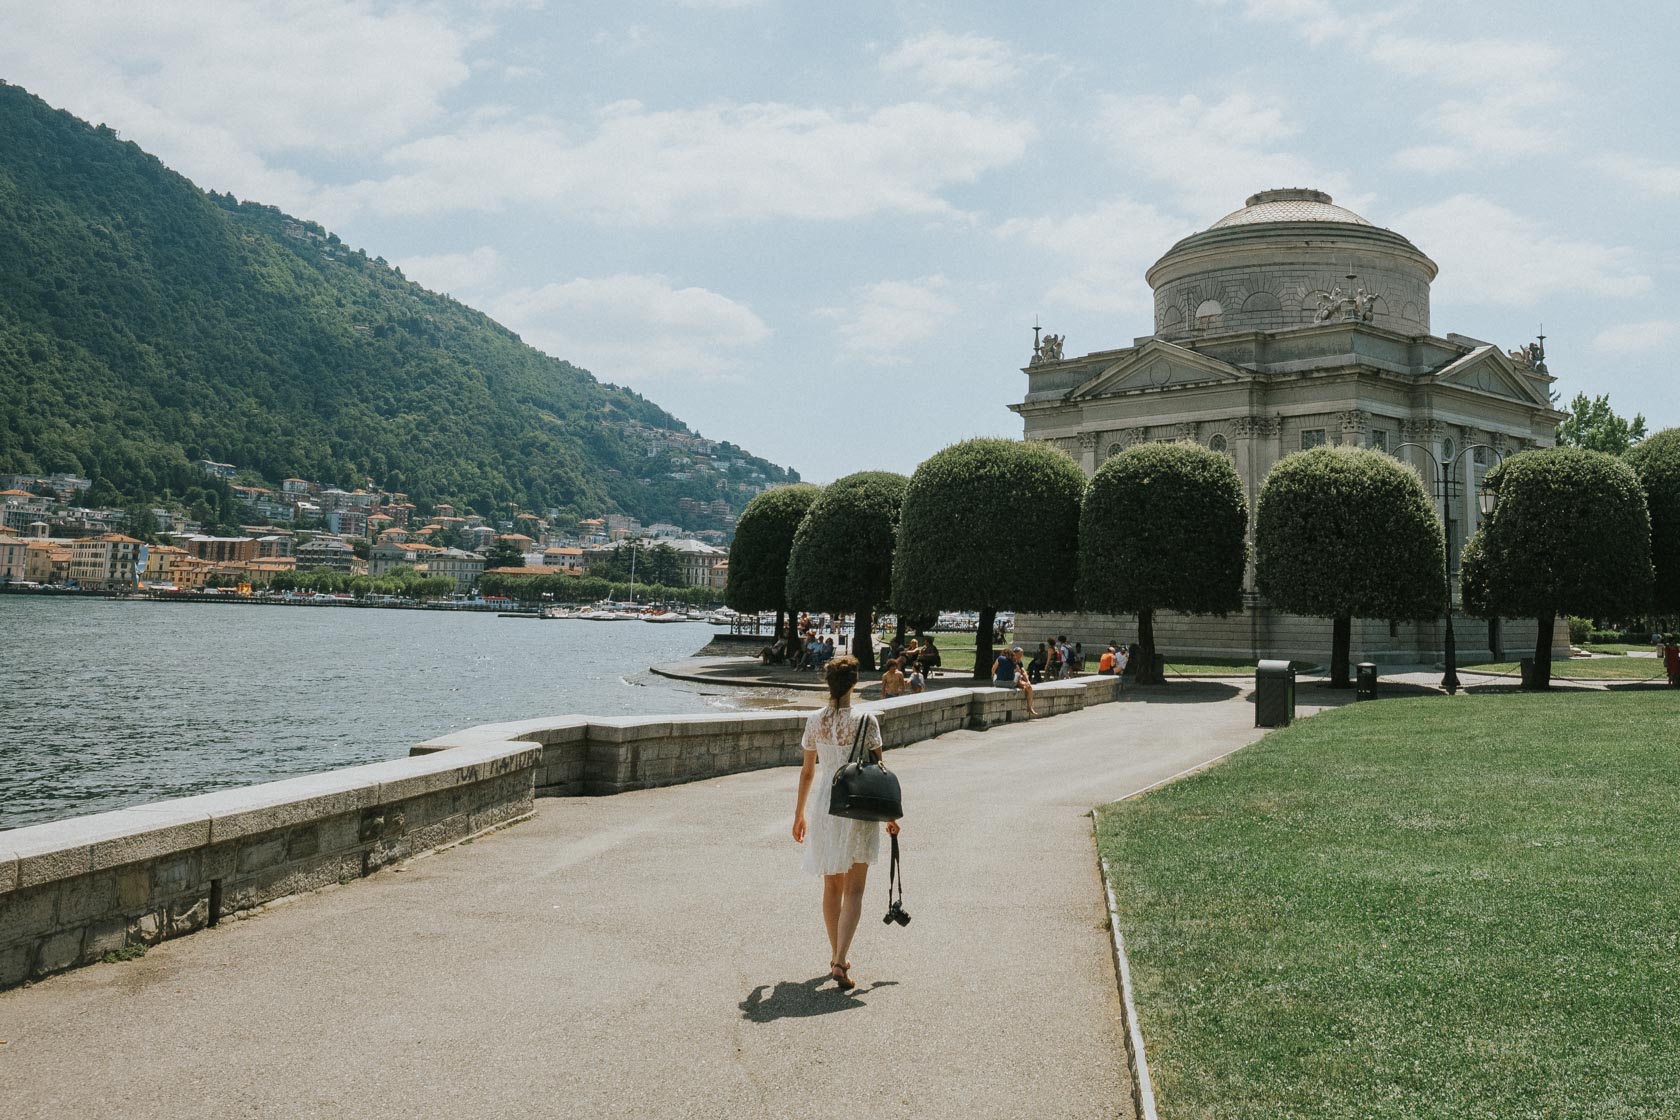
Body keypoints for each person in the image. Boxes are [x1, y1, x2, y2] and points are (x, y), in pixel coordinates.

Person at [792, 656, 901, 990]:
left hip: (827, 802)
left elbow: (808, 771)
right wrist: (891, 817)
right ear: (854, 682)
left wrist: (798, 813)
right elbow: (879, 770)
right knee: (855, 888)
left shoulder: (814, 721)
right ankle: (840, 959)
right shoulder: (867, 721)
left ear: (828, 684)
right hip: (857, 805)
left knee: (831, 885)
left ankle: (835, 954)